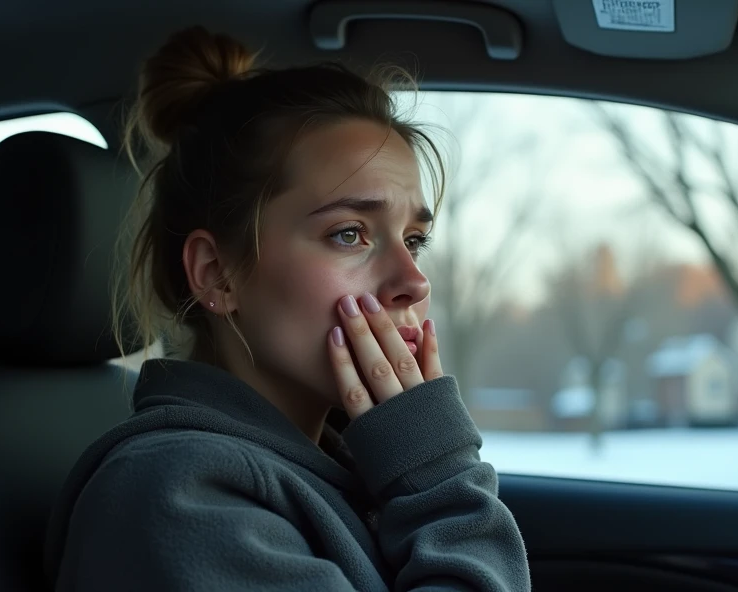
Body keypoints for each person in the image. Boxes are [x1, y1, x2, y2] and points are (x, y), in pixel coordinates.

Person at [43, 25, 530, 592]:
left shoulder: (345, 464)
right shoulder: (175, 494)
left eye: (415, 239)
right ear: (217, 274)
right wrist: (437, 476)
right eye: (350, 233)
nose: (413, 281)